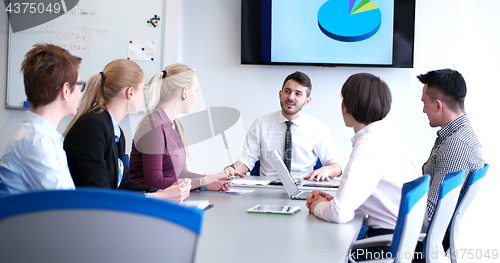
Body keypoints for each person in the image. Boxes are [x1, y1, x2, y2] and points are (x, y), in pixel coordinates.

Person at [306, 73, 420, 261]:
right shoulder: (389, 136)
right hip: (402, 240)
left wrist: (316, 206)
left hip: (385, 244)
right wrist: (333, 201)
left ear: (347, 106)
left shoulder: (369, 145)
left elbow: (340, 213)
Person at [63, 59, 190, 203]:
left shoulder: (116, 132)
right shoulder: (91, 128)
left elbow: (125, 185)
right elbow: (99, 194)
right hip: (87, 216)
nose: (143, 97)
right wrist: (157, 197)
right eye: (142, 90)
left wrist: (165, 192)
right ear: (130, 92)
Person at [223, 71, 342, 181]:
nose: (291, 97)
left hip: (303, 186)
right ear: (280, 94)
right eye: (287, 91)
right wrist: (232, 169)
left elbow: (337, 166)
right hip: (267, 188)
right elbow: (247, 159)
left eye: (298, 94)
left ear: (307, 100)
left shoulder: (317, 128)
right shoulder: (261, 123)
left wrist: (327, 169)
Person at [129, 63, 231, 191]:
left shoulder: (175, 125)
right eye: (196, 90)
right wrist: (203, 181)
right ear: (185, 92)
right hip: (145, 203)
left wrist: (212, 179)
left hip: (168, 199)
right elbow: (155, 182)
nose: (195, 97)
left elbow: (180, 174)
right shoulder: (154, 126)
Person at [0, 44, 82, 195]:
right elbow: (66, 206)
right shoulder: (38, 142)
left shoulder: (38, 136)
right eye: (79, 85)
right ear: (65, 90)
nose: (80, 93)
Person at [417, 68, 484, 253]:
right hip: (428, 237)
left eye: (424, 103)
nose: (423, 110)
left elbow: (430, 214)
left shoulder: (456, 145)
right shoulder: (457, 136)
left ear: (438, 105)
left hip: (419, 243)